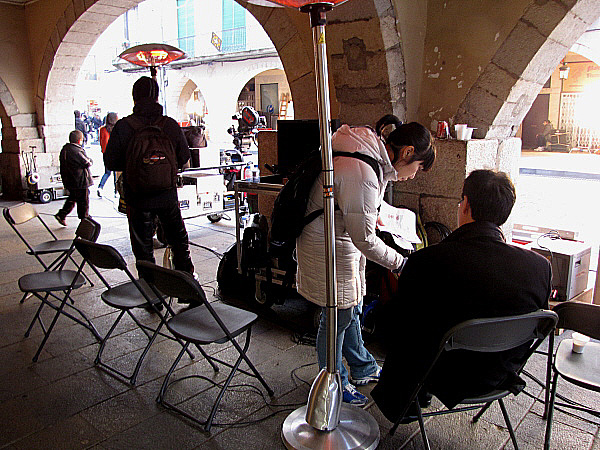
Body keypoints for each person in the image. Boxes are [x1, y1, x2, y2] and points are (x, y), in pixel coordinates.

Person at [371, 169, 552, 424]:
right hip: (500, 374)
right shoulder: (539, 267)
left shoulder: (427, 261)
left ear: (465, 204)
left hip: (440, 374)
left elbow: (396, 325)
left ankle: (404, 403)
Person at [296, 118, 436, 406]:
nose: (413, 176)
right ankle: (333, 382)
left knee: (352, 307)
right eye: (418, 168)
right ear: (408, 152)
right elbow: (366, 239)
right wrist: (400, 264)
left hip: (339, 240)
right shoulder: (362, 169)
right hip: (328, 245)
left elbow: (357, 207)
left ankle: (362, 367)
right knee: (337, 317)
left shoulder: (368, 155)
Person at [104, 76, 195, 276]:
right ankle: (187, 284)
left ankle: (150, 289)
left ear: (134, 97)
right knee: (179, 242)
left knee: (143, 249)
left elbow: (110, 162)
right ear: (157, 97)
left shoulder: (124, 126)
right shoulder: (169, 125)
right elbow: (184, 159)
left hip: (137, 198)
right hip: (167, 196)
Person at [55, 130, 93, 226]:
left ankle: (62, 214)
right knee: (83, 199)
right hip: (79, 180)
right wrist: (91, 160)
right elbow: (87, 163)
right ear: (79, 140)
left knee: (73, 197)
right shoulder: (76, 151)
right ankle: (84, 218)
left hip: (70, 179)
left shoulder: (65, 149)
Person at [97, 112, 118, 198]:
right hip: (116, 153)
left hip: (106, 153)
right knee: (116, 173)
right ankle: (116, 191)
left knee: (107, 172)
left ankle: (100, 187)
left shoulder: (102, 129)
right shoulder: (117, 129)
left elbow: (101, 142)